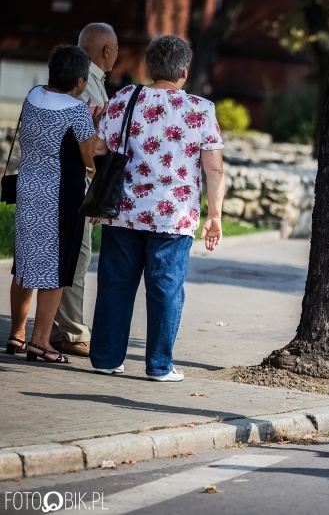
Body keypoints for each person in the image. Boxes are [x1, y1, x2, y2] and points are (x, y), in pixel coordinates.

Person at [88, 35, 225, 382]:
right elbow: (214, 168)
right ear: (184, 69)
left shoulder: (123, 98)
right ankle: (159, 366)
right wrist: (215, 216)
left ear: (149, 67)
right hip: (173, 217)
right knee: (165, 289)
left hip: (124, 208)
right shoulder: (200, 109)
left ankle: (106, 358)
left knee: (115, 284)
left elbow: (99, 149)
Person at [6, 45, 103, 363]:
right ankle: (41, 341)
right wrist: (94, 125)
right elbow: (88, 151)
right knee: (57, 269)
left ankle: (17, 334)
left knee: (25, 266)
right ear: (79, 80)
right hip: (61, 196)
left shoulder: (32, 95)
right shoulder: (75, 111)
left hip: (29, 189)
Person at [49, 23, 117, 358]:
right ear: (107, 51)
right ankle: (71, 332)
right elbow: (85, 139)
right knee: (77, 254)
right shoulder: (87, 81)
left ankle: (50, 328)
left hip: (53, 177)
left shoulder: (83, 76)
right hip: (75, 180)